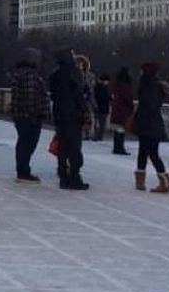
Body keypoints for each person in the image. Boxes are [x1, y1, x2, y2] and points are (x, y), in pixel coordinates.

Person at [48, 48, 89, 189]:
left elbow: (53, 95)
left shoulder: (55, 75)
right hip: (73, 115)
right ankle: (75, 176)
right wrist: (85, 110)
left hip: (60, 114)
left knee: (63, 146)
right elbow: (78, 94)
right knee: (74, 147)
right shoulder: (74, 73)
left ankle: (63, 176)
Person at [133, 61, 169, 193]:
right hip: (150, 124)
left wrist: (140, 116)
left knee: (152, 153)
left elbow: (151, 105)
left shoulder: (149, 86)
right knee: (144, 152)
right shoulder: (151, 85)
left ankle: (164, 183)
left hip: (149, 124)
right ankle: (140, 182)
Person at [10, 48, 48, 183]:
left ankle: (22, 169)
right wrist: (35, 114)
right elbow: (31, 96)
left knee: (22, 143)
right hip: (29, 116)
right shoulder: (30, 75)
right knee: (28, 143)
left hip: (19, 115)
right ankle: (24, 171)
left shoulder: (18, 74)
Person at [110, 67, 134, 155]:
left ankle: (116, 147)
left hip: (116, 109)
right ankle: (120, 148)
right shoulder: (126, 86)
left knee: (117, 130)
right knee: (121, 130)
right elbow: (128, 98)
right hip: (123, 110)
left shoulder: (116, 84)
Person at [93, 74, 112, 142]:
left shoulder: (97, 87)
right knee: (101, 123)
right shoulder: (102, 88)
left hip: (100, 107)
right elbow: (104, 97)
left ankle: (98, 136)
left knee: (99, 123)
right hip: (102, 107)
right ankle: (98, 136)